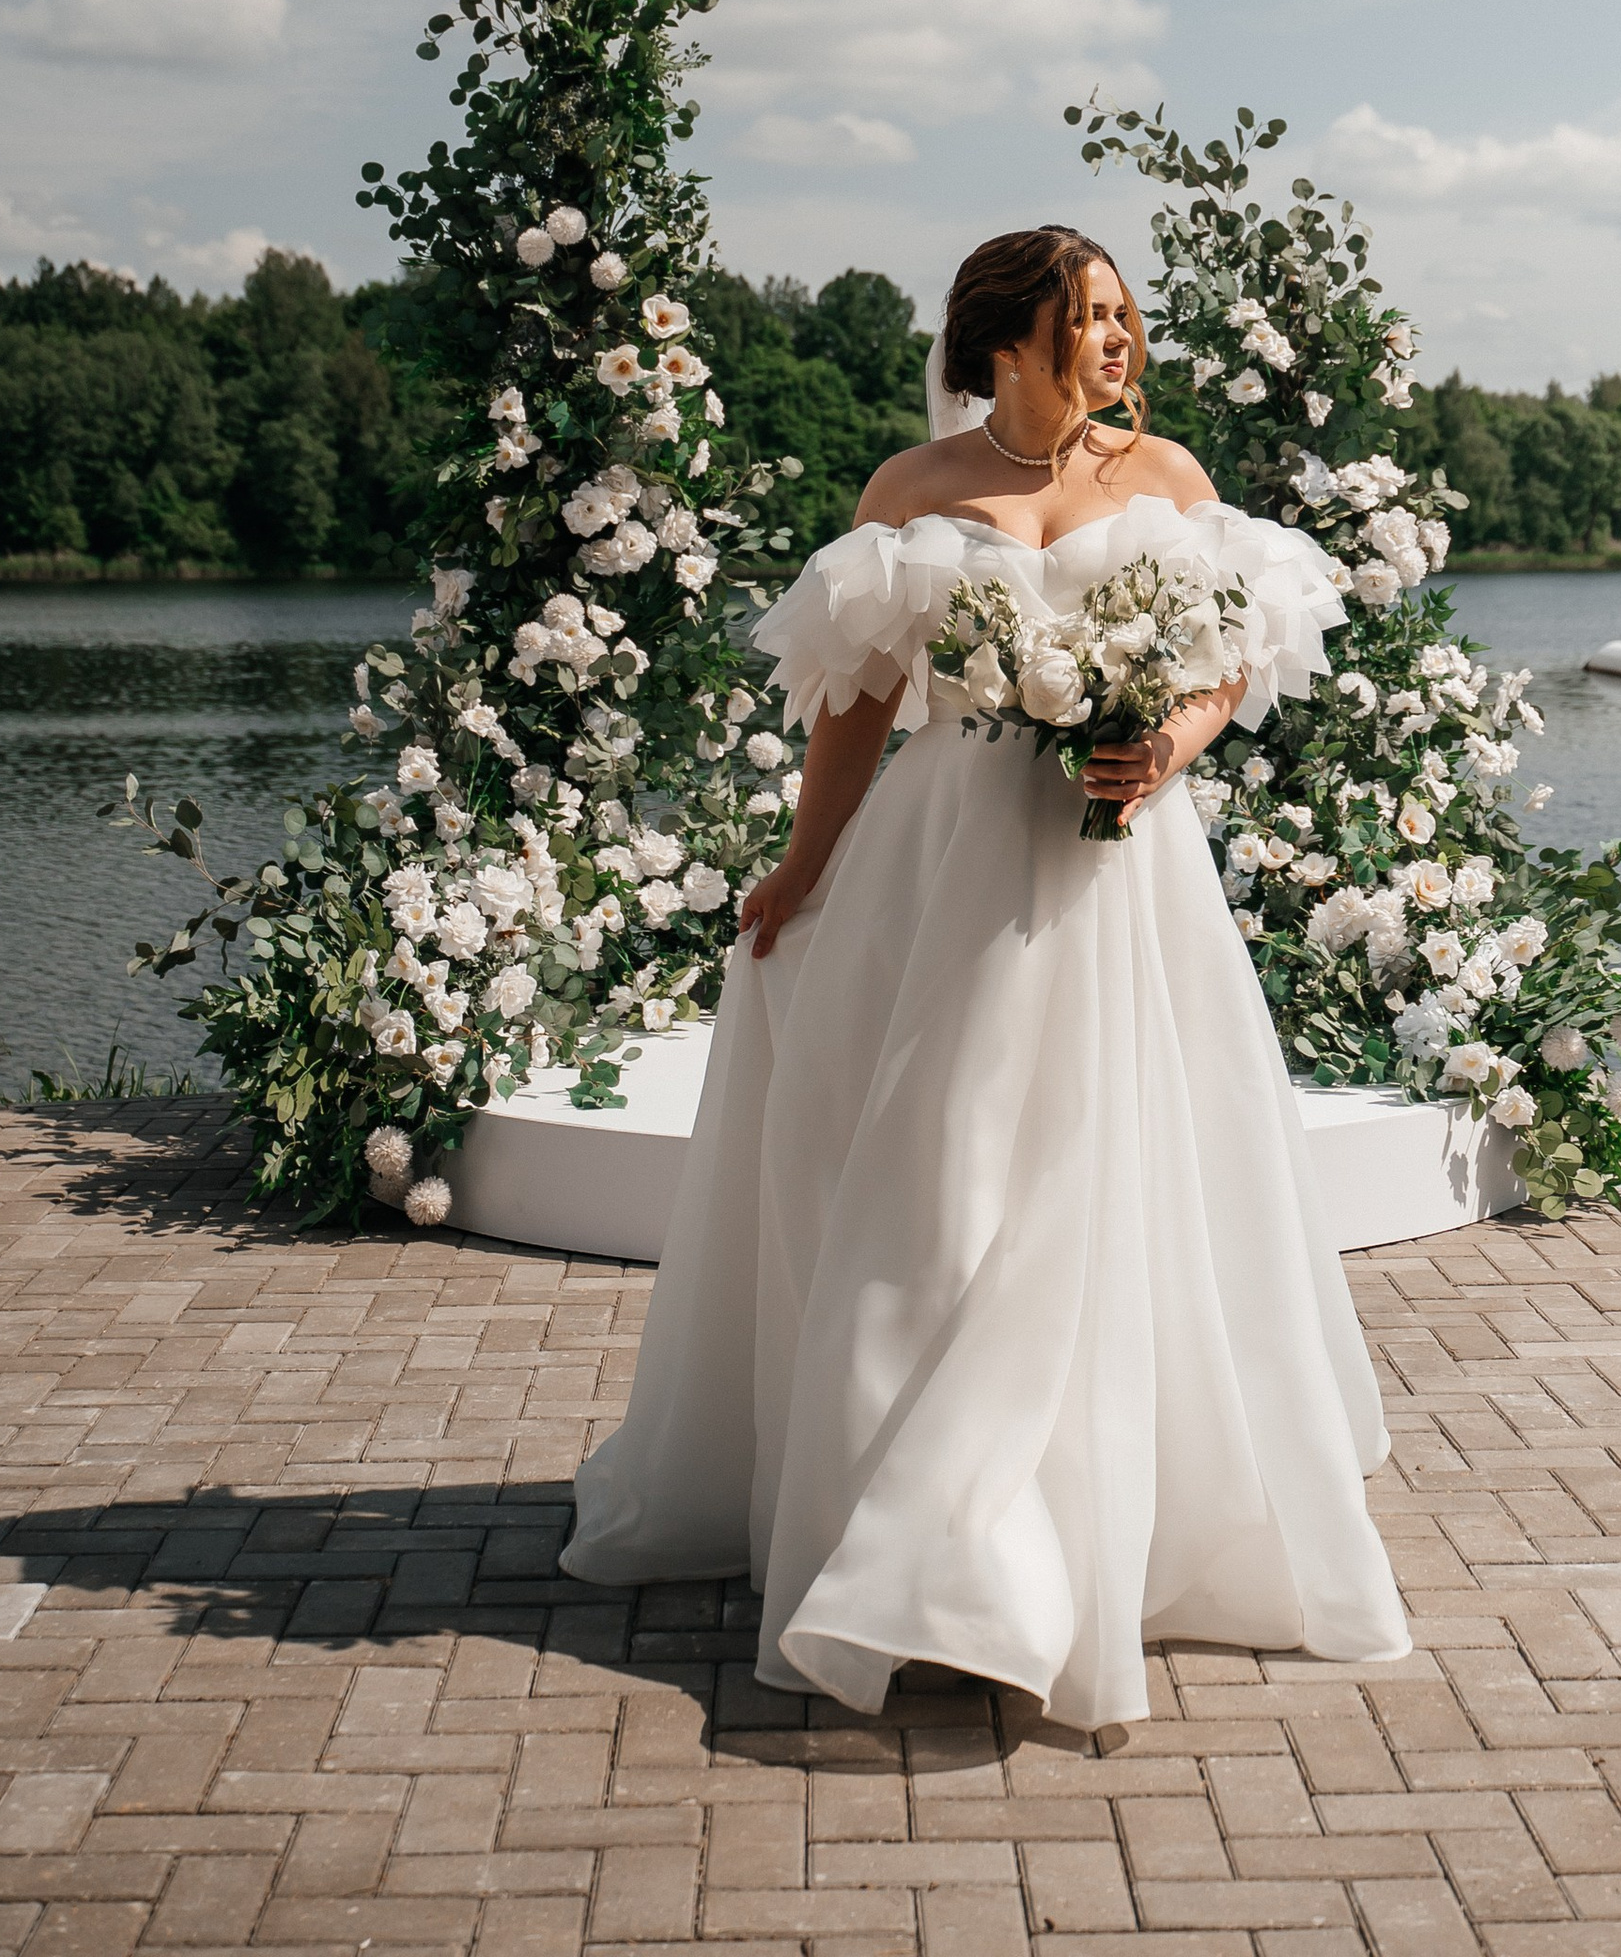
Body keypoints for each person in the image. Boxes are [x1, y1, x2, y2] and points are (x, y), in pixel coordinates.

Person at [559, 223, 1411, 1728]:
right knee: (939, 1184)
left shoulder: (1169, 485)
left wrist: (1168, 749)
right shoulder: (914, 496)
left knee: (1122, 1174)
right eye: (1091, 318)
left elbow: (1222, 666)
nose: (1120, 341)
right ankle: (932, 1548)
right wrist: (804, 869)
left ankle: (1094, 1532)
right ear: (1006, 340)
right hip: (945, 869)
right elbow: (857, 708)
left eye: (1128, 316)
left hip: (1122, 872)